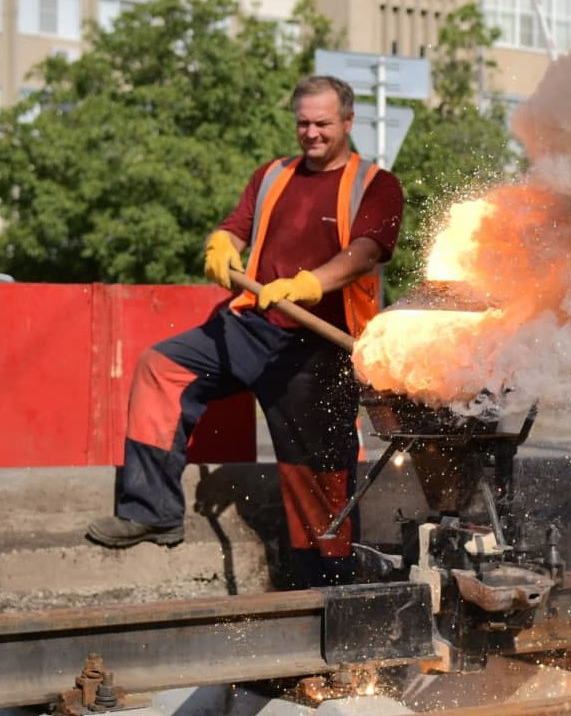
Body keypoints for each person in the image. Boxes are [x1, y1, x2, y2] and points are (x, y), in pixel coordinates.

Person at [87, 75, 404, 588]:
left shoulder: (377, 185)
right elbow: (236, 225)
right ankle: (152, 511)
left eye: (323, 123)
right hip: (251, 325)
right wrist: (221, 242)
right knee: (160, 368)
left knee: (317, 478)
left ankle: (329, 591)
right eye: (303, 122)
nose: (311, 133)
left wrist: (308, 283)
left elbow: (364, 253)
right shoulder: (272, 175)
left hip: (320, 346)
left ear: (347, 122)